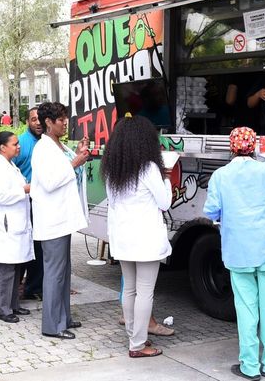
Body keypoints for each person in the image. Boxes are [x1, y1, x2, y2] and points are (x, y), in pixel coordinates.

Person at [203, 127, 265, 381]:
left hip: (238, 252)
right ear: (255, 146)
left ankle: (249, 366)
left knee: (246, 309)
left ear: (231, 147)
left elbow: (211, 211)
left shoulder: (220, 176)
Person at [101, 116, 172, 358]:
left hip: (122, 239)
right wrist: (168, 177)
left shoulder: (113, 170)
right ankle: (138, 344)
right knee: (145, 292)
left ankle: (134, 334)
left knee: (129, 289)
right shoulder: (150, 168)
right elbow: (164, 203)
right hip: (146, 240)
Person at [30, 101, 89, 340]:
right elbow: (50, 181)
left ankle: (64, 317)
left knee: (63, 272)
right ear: (48, 122)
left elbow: (65, 169)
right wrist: (75, 162)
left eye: (66, 118)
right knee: (54, 273)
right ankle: (52, 325)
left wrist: (77, 155)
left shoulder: (57, 144)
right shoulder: (43, 149)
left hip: (62, 218)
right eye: (61, 119)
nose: (65, 122)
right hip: (52, 220)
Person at [0, 131, 34, 323]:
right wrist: (24, 189)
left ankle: (13, 304)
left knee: (16, 264)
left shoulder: (10, 165)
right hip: (7, 222)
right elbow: (1, 196)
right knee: (6, 265)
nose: (18, 146)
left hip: (17, 221)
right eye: (15, 144)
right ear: (2, 147)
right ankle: (2, 307)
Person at [13, 106, 43, 301]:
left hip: (42, 201)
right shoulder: (22, 143)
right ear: (28, 122)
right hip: (26, 200)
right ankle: (19, 289)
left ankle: (33, 287)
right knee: (28, 245)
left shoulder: (47, 142)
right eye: (33, 119)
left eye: (41, 119)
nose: (38, 122)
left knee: (39, 246)